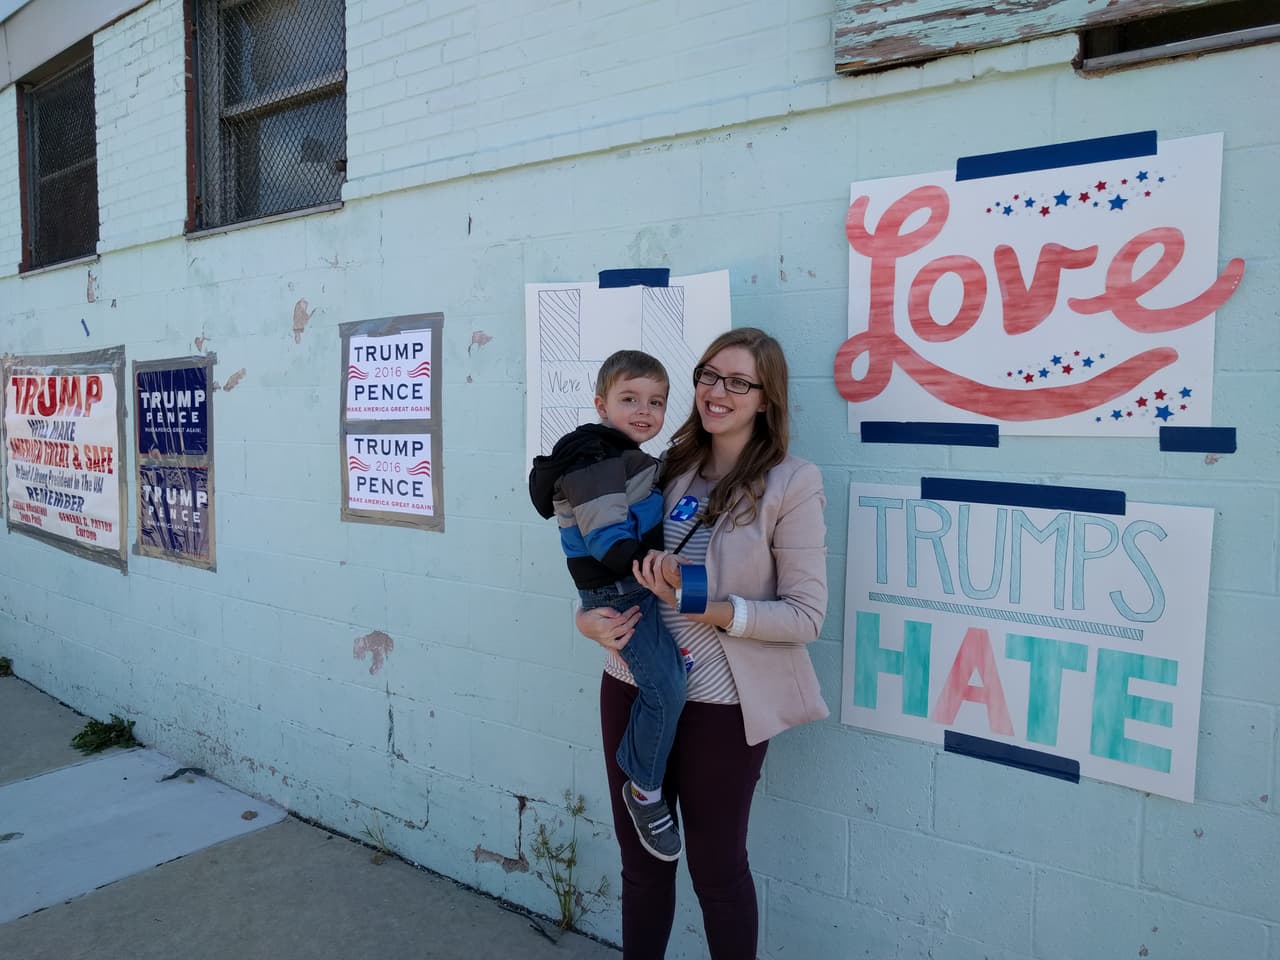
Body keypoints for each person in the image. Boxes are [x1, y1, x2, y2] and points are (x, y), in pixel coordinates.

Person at [576, 327, 829, 959]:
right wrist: (584, 619)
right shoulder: (662, 467)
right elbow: (602, 555)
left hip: (724, 705)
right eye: (708, 376)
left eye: (738, 382)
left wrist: (701, 605)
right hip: (632, 684)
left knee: (716, 872)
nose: (717, 392)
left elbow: (805, 616)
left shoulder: (790, 483)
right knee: (642, 865)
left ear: (766, 397)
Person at [529, 349, 689, 862]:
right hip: (618, 590)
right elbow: (606, 540)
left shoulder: (622, 453)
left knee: (670, 674)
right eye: (629, 399)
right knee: (665, 689)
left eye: (657, 402)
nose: (645, 410)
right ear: (601, 404)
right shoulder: (593, 458)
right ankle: (643, 787)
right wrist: (658, 565)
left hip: (628, 586)